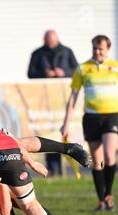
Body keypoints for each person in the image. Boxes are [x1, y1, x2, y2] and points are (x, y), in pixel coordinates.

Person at [60, 35, 118, 211]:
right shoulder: (83, 69)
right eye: (95, 49)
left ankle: (109, 195)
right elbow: (73, 97)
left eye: (101, 49)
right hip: (91, 118)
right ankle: (101, 200)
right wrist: (66, 123)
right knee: (97, 161)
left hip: (111, 117)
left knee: (109, 155)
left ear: (108, 49)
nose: (97, 52)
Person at [28, 30, 79, 176]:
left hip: (62, 100)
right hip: (45, 102)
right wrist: (45, 74)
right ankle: (52, 169)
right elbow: (31, 73)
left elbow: (77, 71)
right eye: (48, 41)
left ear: (57, 39)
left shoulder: (67, 52)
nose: (50, 44)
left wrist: (63, 73)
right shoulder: (37, 53)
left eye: (52, 41)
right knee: (48, 133)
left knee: (62, 133)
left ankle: (68, 169)